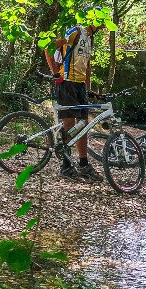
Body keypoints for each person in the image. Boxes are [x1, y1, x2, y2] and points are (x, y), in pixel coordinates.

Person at [56, 10, 104, 182]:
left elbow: (88, 65)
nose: (103, 25)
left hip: (80, 85)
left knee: (83, 124)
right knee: (69, 124)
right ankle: (66, 166)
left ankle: (83, 164)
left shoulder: (90, 38)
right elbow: (49, 47)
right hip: (67, 82)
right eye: (101, 21)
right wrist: (56, 74)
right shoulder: (75, 31)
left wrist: (88, 88)